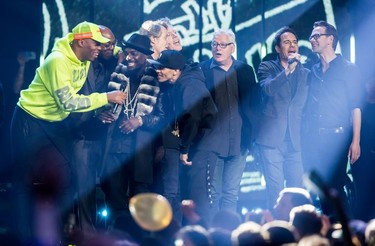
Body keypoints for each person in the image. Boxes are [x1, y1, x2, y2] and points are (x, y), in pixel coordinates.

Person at [10, 21, 126, 244]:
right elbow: (68, 102)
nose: (101, 49)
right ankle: (23, 237)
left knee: (64, 177)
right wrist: (106, 98)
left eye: (104, 46)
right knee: (26, 181)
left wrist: (123, 51)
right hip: (30, 120)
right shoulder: (58, 61)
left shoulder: (84, 56)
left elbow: (115, 48)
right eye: (97, 44)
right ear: (81, 42)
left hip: (54, 124)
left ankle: (57, 234)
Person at [100, 33, 165, 227]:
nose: (129, 58)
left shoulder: (156, 78)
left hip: (141, 151)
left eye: (134, 54)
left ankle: (140, 238)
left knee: (141, 200)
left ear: (145, 55)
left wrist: (141, 120)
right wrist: (101, 114)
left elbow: (164, 117)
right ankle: (117, 236)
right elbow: (102, 102)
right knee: (113, 197)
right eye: (127, 53)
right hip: (114, 148)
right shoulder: (118, 73)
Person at [148, 50, 218, 225]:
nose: (158, 71)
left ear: (176, 70)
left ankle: (205, 237)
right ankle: (175, 234)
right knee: (176, 191)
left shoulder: (189, 84)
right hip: (189, 141)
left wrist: (185, 149)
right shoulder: (177, 83)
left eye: (162, 68)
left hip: (202, 143)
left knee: (198, 194)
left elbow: (194, 117)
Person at [303, 21, 363, 221]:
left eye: (317, 35)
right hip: (314, 138)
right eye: (311, 36)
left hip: (338, 137)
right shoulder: (312, 71)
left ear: (330, 39)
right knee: (321, 189)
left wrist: (356, 141)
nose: (312, 39)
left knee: (336, 187)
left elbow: (356, 106)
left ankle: (347, 230)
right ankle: (330, 231)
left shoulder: (348, 69)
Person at [67, 25, 123, 235]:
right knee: (85, 188)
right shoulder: (82, 64)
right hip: (83, 134)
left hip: (108, 136)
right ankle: (87, 233)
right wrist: (95, 116)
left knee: (112, 187)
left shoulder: (116, 61)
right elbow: (72, 102)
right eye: (105, 44)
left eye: (112, 44)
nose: (109, 48)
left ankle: (111, 233)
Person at [199, 29, 257, 216]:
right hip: (211, 143)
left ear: (232, 47)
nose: (218, 48)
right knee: (213, 195)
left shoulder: (245, 71)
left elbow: (255, 104)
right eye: (214, 44)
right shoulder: (202, 70)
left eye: (223, 45)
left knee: (231, 194)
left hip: (239, 142)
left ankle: (227, 235)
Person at [255, 26, 309, 209]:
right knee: (276, 191)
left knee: (297, 191)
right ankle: (275, 231)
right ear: (278, 48)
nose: (292, 45)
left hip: (295, 140)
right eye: (286, 42)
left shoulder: (305, 73)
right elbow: (268, 89)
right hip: (271, 140)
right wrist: (288, 71)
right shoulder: (267, 67)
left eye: (295, 42)